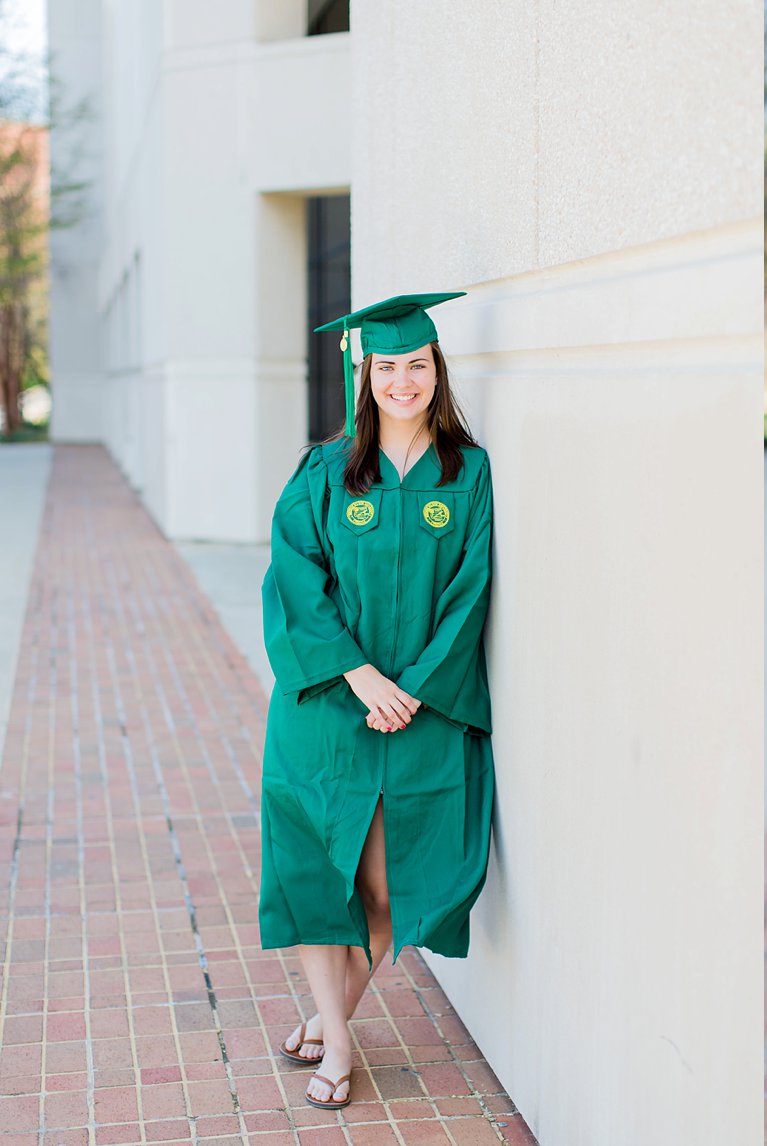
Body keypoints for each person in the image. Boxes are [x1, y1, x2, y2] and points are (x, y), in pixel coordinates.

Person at [258, 292, 496, 1111]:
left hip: (422, 711)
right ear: (366, 374)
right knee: (321, 880)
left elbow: (471, 594)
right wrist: (360, 677)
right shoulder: (326, 469)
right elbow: (294, 581)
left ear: (438, 372)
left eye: (417, 366)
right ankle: (341, 1038)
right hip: (329, 710)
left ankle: (328, 1017)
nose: (403, 381)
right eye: (388, 366)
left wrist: (416, 690)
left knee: (390, 889)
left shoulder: (468, 472)